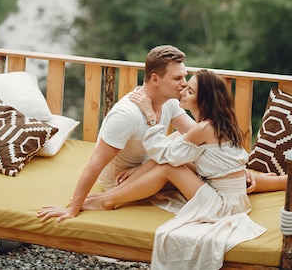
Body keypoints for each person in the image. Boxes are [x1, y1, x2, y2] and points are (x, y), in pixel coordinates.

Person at [81, 69, 266, 270]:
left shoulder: (202, 129)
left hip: (222, 206)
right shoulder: (214, 125)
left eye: (190, 91)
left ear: (203, 100)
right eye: (185, 86)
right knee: (172, 157)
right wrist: (140, 169)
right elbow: (177, 153)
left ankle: (107, 201)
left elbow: (163, 154)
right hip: (232, 198)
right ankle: (112, 196)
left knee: (168, 169)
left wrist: (151, 116)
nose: (183, 90)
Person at [38, 44, 194, 222]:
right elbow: (95, 164)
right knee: (181, 168)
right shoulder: (127, 114)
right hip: (120, 183)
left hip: (146, 168)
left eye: (185, 77)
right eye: (177, 78)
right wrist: (73, 209)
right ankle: (104, 201)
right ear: (155, 79)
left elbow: (196, 135)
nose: (184, 83)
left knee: (186, 149)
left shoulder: (169, 102)